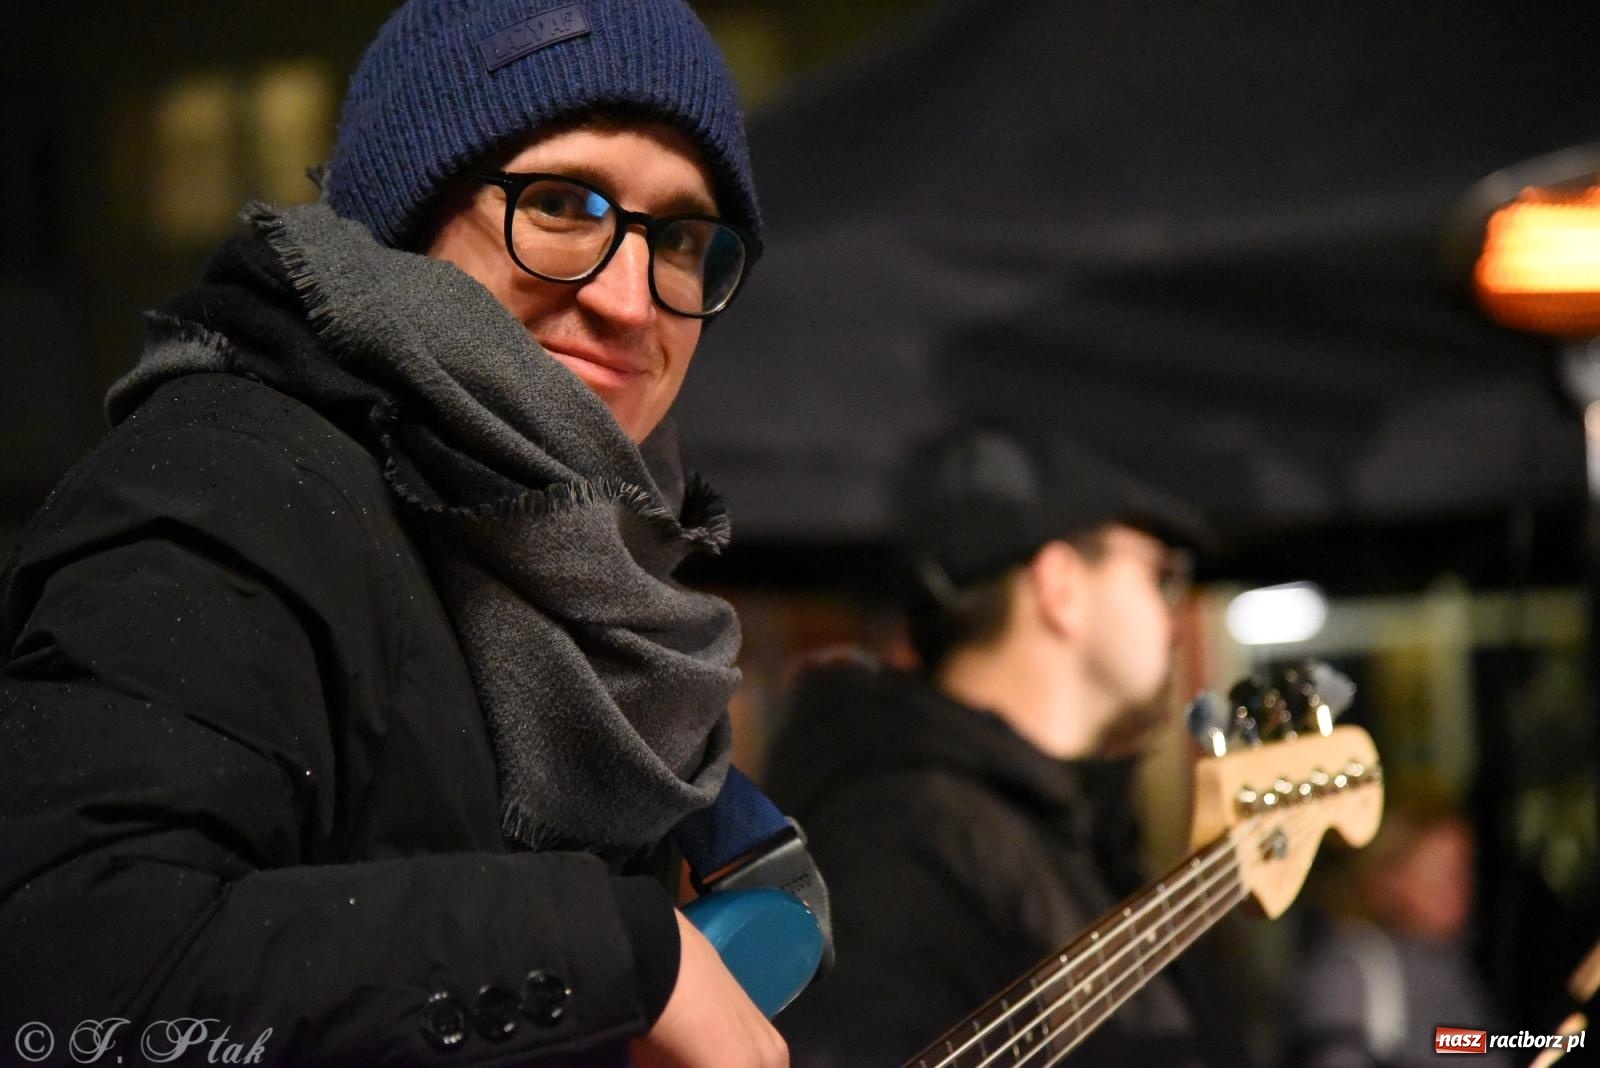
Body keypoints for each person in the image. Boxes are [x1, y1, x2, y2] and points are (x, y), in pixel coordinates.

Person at [0, 2, 787, 1064]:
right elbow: (64, 978)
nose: (630, 299)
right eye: (560, 204)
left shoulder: (615, 593)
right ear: (405, 222)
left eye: (681, 238)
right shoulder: (230, 488)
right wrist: (615, 947)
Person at [764, 425, 1225, 1067]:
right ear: (1061, 585)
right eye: (1162, 575)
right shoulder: (898, 840)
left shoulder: (1058, 826)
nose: (1176, 617)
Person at [1282, 788, 1511, 1068]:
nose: (1460, 887)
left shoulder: (1448, 965)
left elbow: (1456, 1044)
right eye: (1441, 873)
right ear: (1385, 877)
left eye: (1464, 869)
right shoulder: (1353, 971)